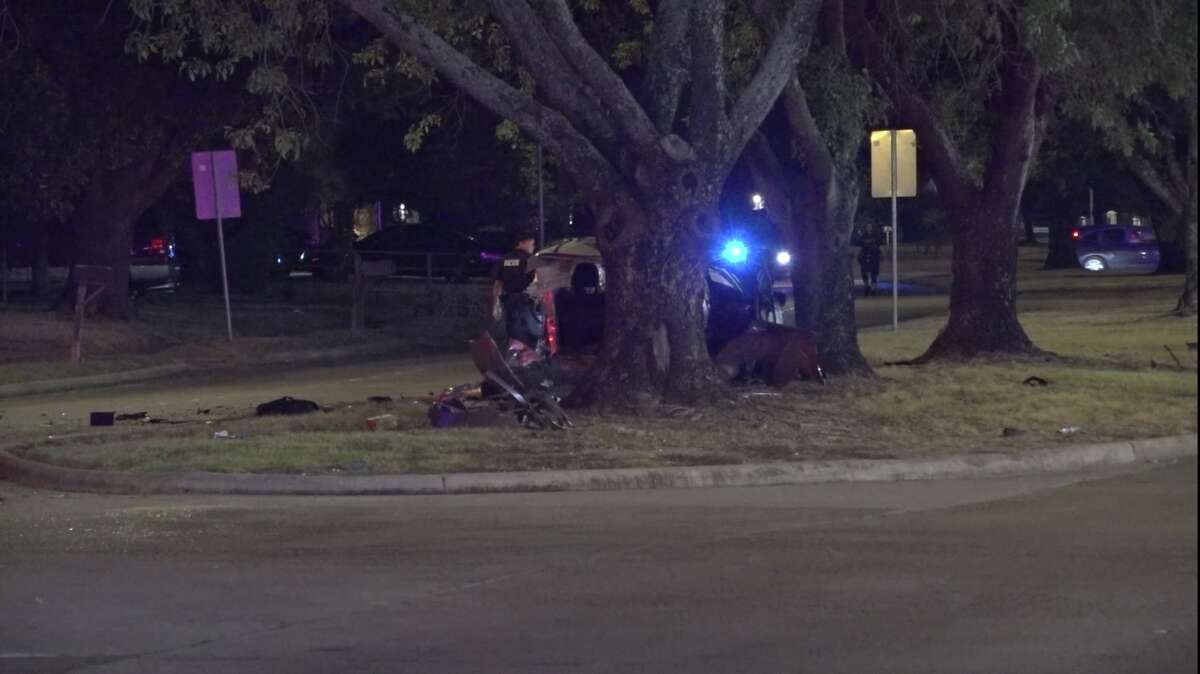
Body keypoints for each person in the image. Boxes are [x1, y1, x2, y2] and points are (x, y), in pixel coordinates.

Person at [490, 231, 541, 350]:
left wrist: (495, 304)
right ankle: (528, 357)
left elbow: (498, 283)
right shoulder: (531, 260)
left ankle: (513, 356)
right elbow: (537, 281)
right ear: (522, 243)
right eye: (531, 243)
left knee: (512, 330)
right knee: (531, 331)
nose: (533, 247)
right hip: (527, 301)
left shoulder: (504, 259)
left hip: (510, 300)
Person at [858, 226, 882, 296]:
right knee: (864, 272)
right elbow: (859, 242)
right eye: (868, 227)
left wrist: (873, 242)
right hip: (865, 255)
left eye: (870, 227)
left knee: (874, 274)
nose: (869, 228)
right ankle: (867, 286)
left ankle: (873, 289)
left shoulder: (875, 235)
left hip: (874, 255)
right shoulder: (863, 235)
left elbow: (879, 241)